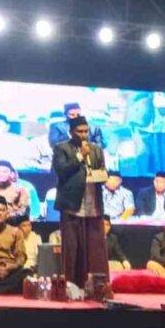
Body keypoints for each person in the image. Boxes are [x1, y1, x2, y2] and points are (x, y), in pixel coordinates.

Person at [52, 115, 109, 286]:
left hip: (93, 203)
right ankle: (72, 285)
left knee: (95, 249)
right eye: (80, 131)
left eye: (86, 131)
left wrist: (104, 176)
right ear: (71, 132)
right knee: (72, 248)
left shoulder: (96, 149)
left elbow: (102, 169)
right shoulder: (61, 148)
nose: (84, 135)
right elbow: (61, 170)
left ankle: (97, 286)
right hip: (72, 205)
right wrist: (79, 156)